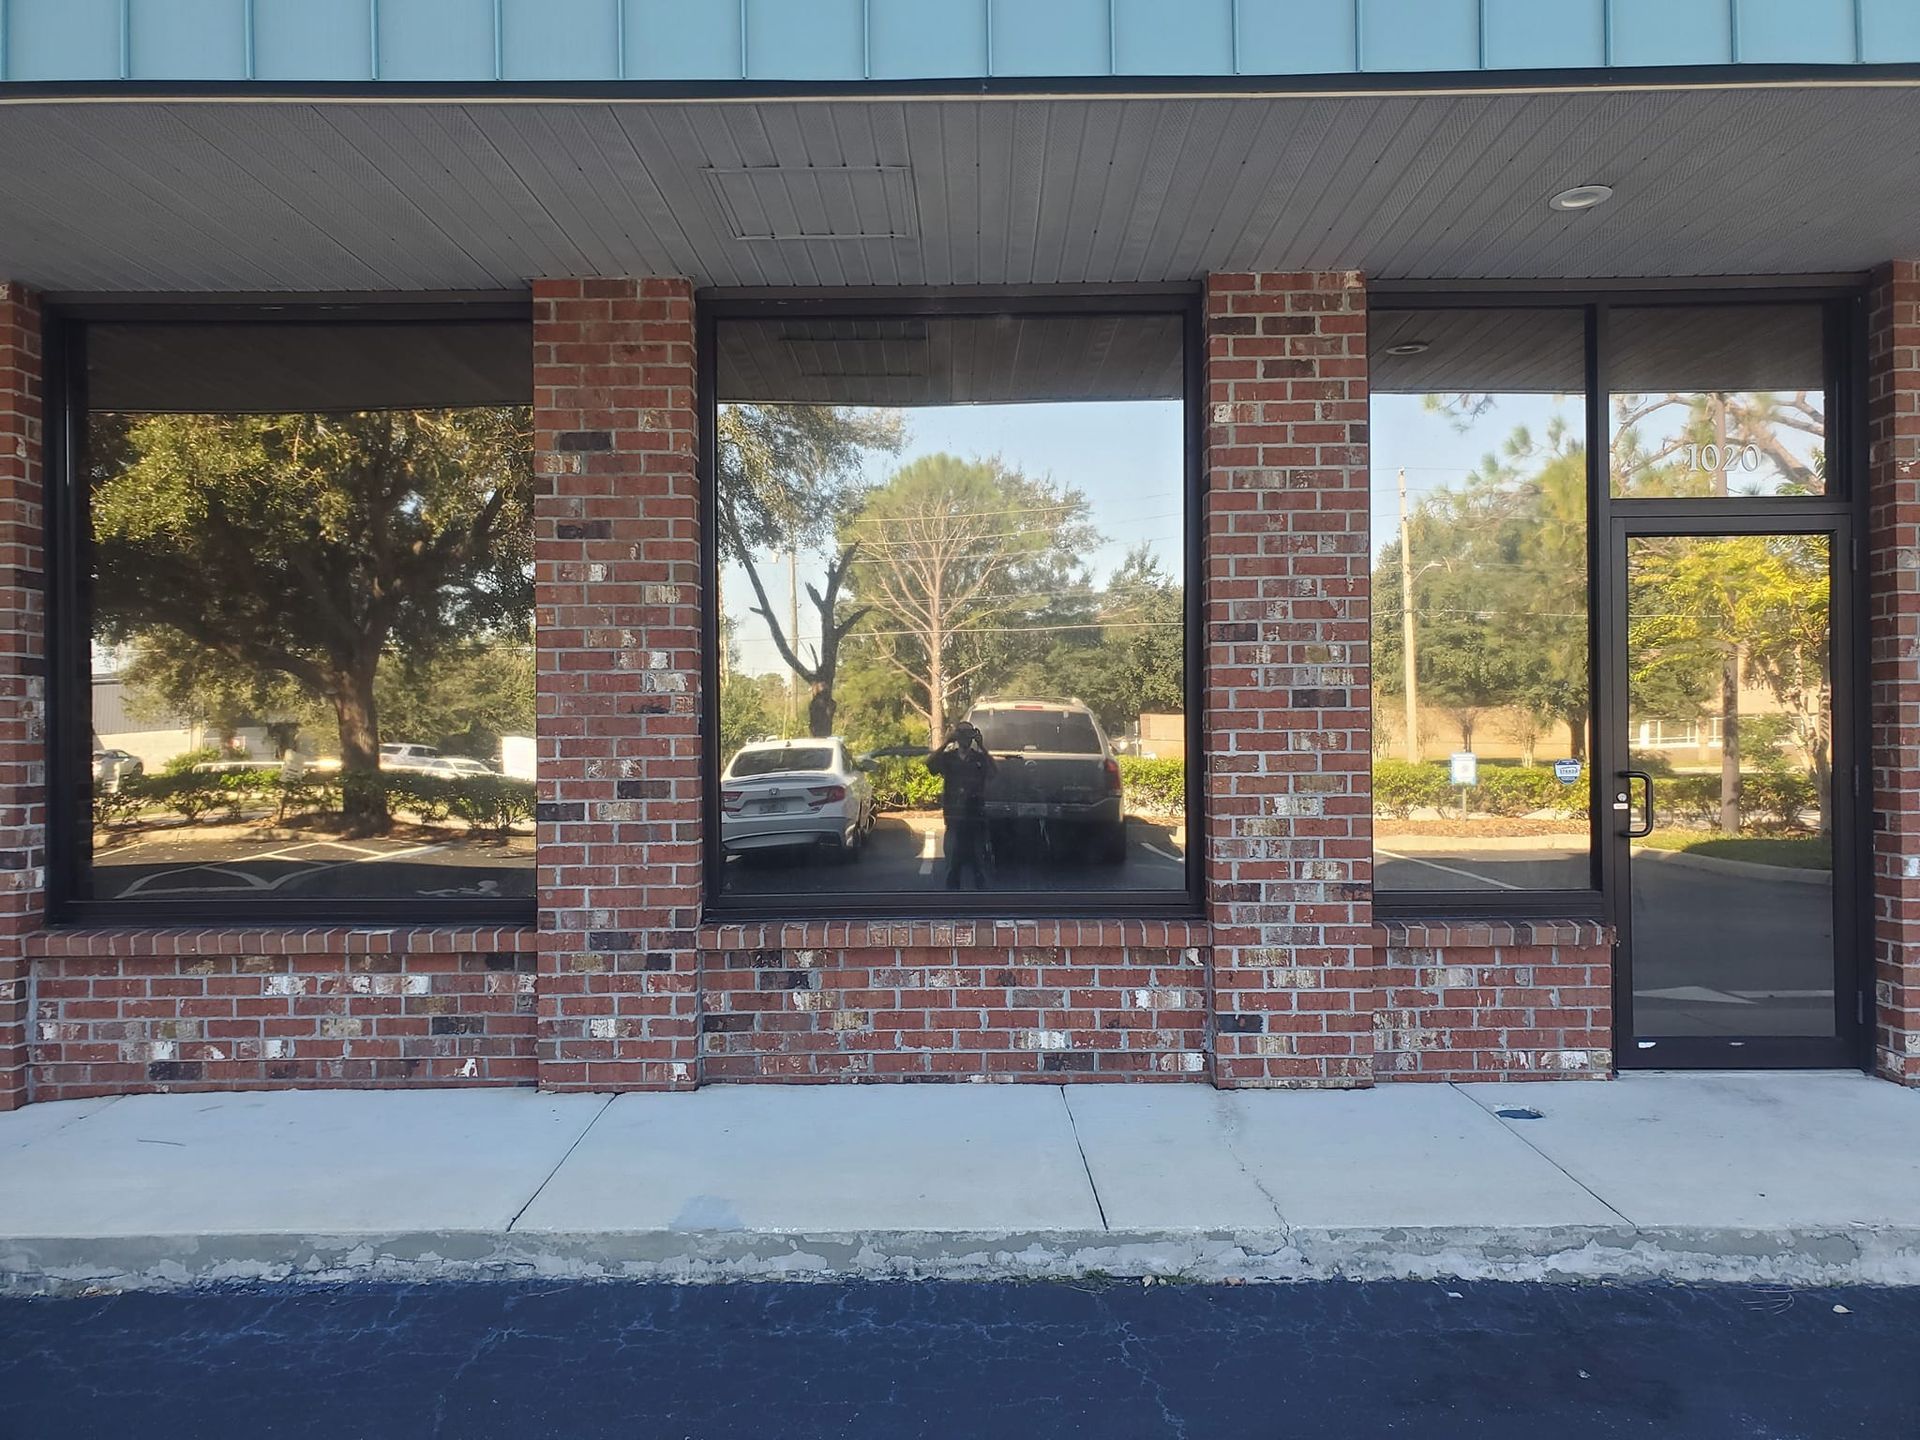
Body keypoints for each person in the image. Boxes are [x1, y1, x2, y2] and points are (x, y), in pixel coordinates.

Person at [926, 722, 996, 891]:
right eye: (961, 734)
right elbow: (930, 766)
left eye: (968, 734)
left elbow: (993, 772)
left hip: (975, 814)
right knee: (952, 863)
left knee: (979, 863)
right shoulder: (949, 757)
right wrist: (945, 743)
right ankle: (952, 897)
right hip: (954, 815)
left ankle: (980, 899)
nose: (964, 738)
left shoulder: (979, 758)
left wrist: (982, 746)